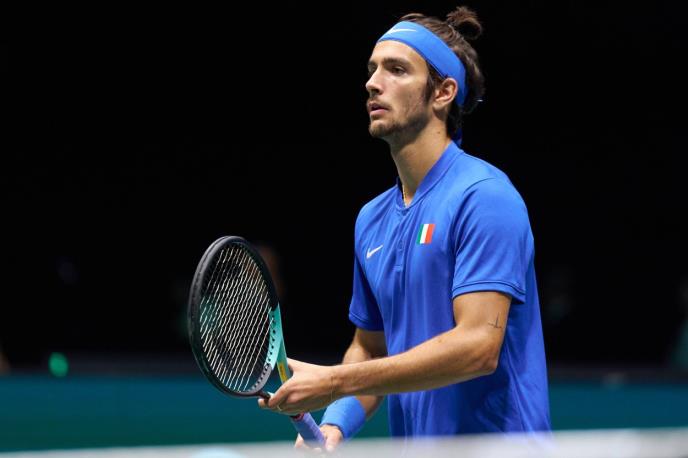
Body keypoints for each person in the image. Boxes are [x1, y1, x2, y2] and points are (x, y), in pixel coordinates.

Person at [258, 6, 551, 451]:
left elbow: (478, 347)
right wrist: (335, 424)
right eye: (372, 69)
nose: (373, 83)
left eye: (396, 70)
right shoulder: (372, 219)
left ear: (443, 93)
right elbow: (371, 347)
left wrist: (333, 381)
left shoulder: (484, 196)